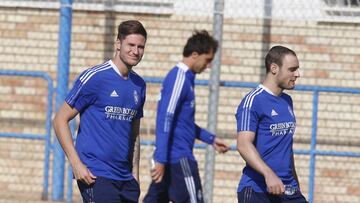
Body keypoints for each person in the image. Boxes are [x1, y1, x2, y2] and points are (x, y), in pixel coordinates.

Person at [53, 20, 147, 203]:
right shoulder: (95, 77)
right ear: (118, 44)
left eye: (141, 47)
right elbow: (60, 120)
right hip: (97, 175)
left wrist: (135, 174)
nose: (136, 51)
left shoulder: (139, 85)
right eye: (131, 45)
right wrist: (76, 164)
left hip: (126, 179)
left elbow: (134, 134)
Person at [143, 30, 230, 203]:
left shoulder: (187, 80)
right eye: (208, 60)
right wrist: (160, 159)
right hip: (177, 159)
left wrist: (211, 139)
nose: (209, 65)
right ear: (195, 55)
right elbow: (165, 118)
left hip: (171, 159)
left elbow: (184, 123)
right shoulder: (179, 79)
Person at [235, 46, 308, 203]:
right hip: (258, 189)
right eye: (292, 69)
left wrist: (295, 183)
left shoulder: (287, 101)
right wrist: (269, 174)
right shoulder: (253, 101)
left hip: (288, 188)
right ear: (274, 68)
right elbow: (243, 144)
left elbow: (285, 147)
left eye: (297, 69)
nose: (297, 74)